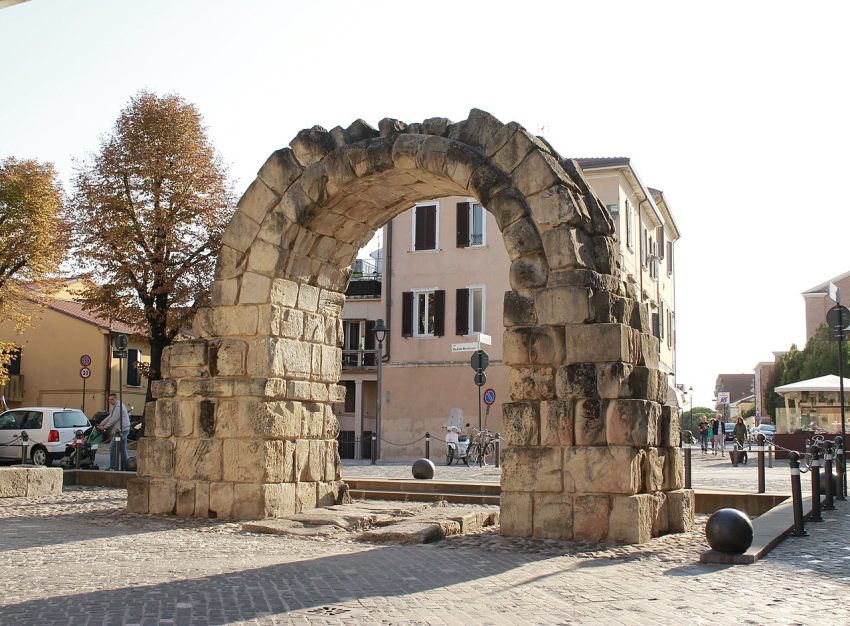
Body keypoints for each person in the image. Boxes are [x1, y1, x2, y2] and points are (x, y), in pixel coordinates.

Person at [98, 393, 130, 471]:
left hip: (121, 431)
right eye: (109, 399)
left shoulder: (118, 407)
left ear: (116, 399)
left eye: (112, 399)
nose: (110, 401)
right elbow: (110, 417)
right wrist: (101, 424)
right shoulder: (115, 406)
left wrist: (104, 427)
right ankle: (125, 467)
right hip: (123, 430)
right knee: (122, 449)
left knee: (112, 448)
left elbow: (113, 419)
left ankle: (113, 467)